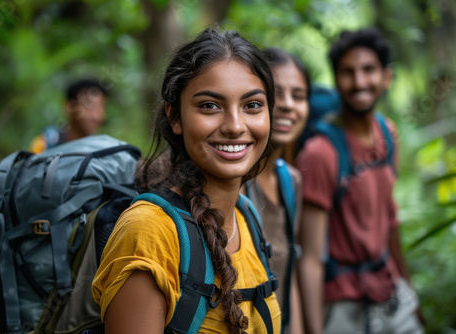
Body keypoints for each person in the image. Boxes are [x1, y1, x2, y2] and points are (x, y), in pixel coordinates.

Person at [92, 27, 281, 333]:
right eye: (210, 105)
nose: (235, 126)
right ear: (175, 117)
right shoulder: (150, 231)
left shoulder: (246, 218)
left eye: (252, 105)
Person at [295, 28, 424, 333]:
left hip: (391, 292)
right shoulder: (320, 154)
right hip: (343, 305)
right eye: (348, 72)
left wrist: (409, 290)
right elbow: (310, 258)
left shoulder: (387, 134)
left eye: (369, 70)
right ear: (336, 80)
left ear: (386, 77)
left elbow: (389, 220)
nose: (359, 82)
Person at [244, 47, 310, 334]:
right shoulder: (236, 180)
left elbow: (289, 272)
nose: (287, 105)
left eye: (298, 96)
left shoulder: (290, 180)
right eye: (276, 94)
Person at [29, 78, 108, 153]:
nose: (96, 116)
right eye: (89, 106)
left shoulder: (100, 149)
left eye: (101, 107)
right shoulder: (48, 142)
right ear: (71, 106)